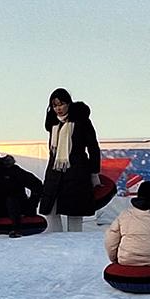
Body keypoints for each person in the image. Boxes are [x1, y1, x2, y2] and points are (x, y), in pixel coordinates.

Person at [40, 88, 102, 233]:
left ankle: (74, 244)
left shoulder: (82, 121)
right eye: (55, 105)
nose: (58, 109)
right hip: (55, 172)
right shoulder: (54, 125)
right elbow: (53, 151)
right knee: (50, 209)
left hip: (77, 172)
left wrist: (94, 172)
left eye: (61, 104)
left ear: (68, 103)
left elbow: (93, 148)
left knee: (75, 212)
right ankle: (55, 242)